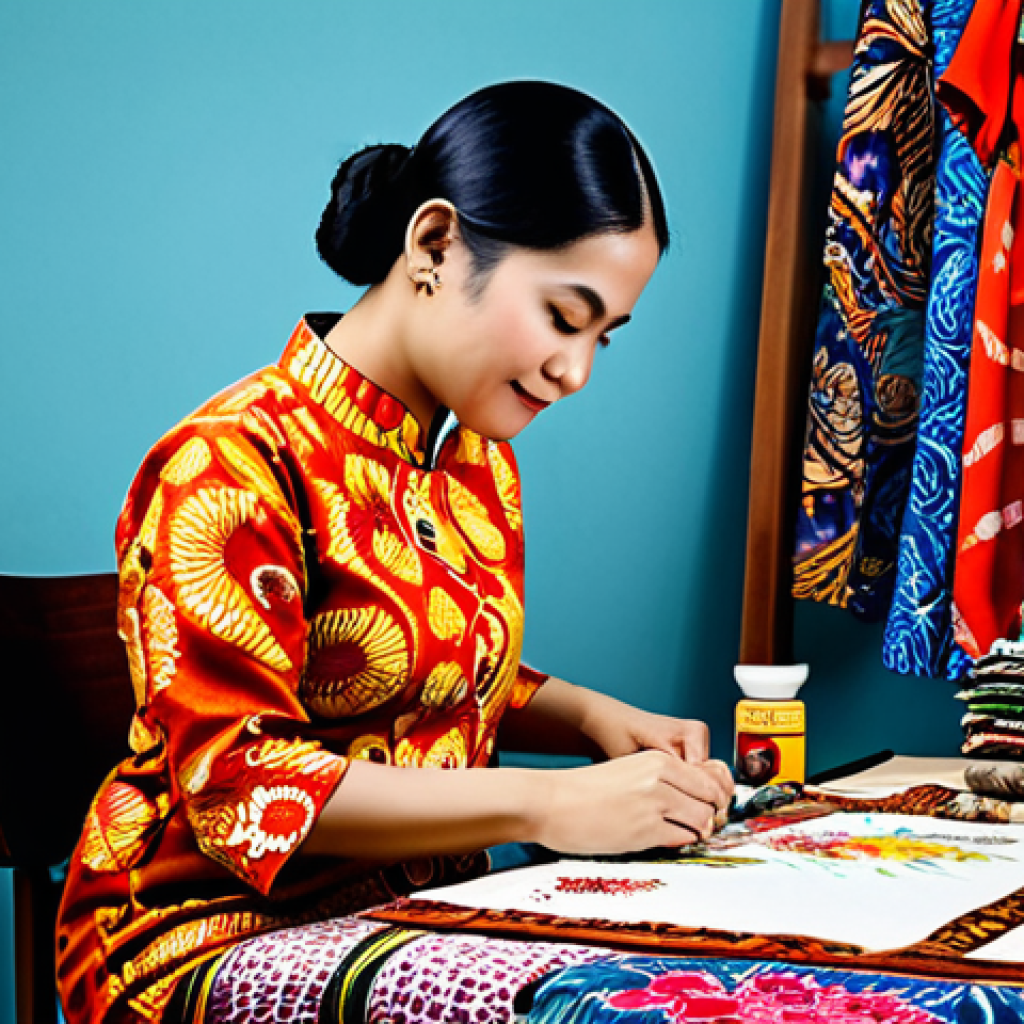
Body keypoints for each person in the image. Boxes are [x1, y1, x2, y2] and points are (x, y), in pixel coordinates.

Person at [55, 80, 734, 1024]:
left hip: (405, 919)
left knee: (702, 973)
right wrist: (544, 807)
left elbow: (421, 670)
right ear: (435, 244)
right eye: (563, 317)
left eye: (603, 340)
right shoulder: (229, 461)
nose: (575, 373)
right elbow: (241, 783)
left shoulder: (475, 463)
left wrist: (591, 718)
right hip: (203, 938)